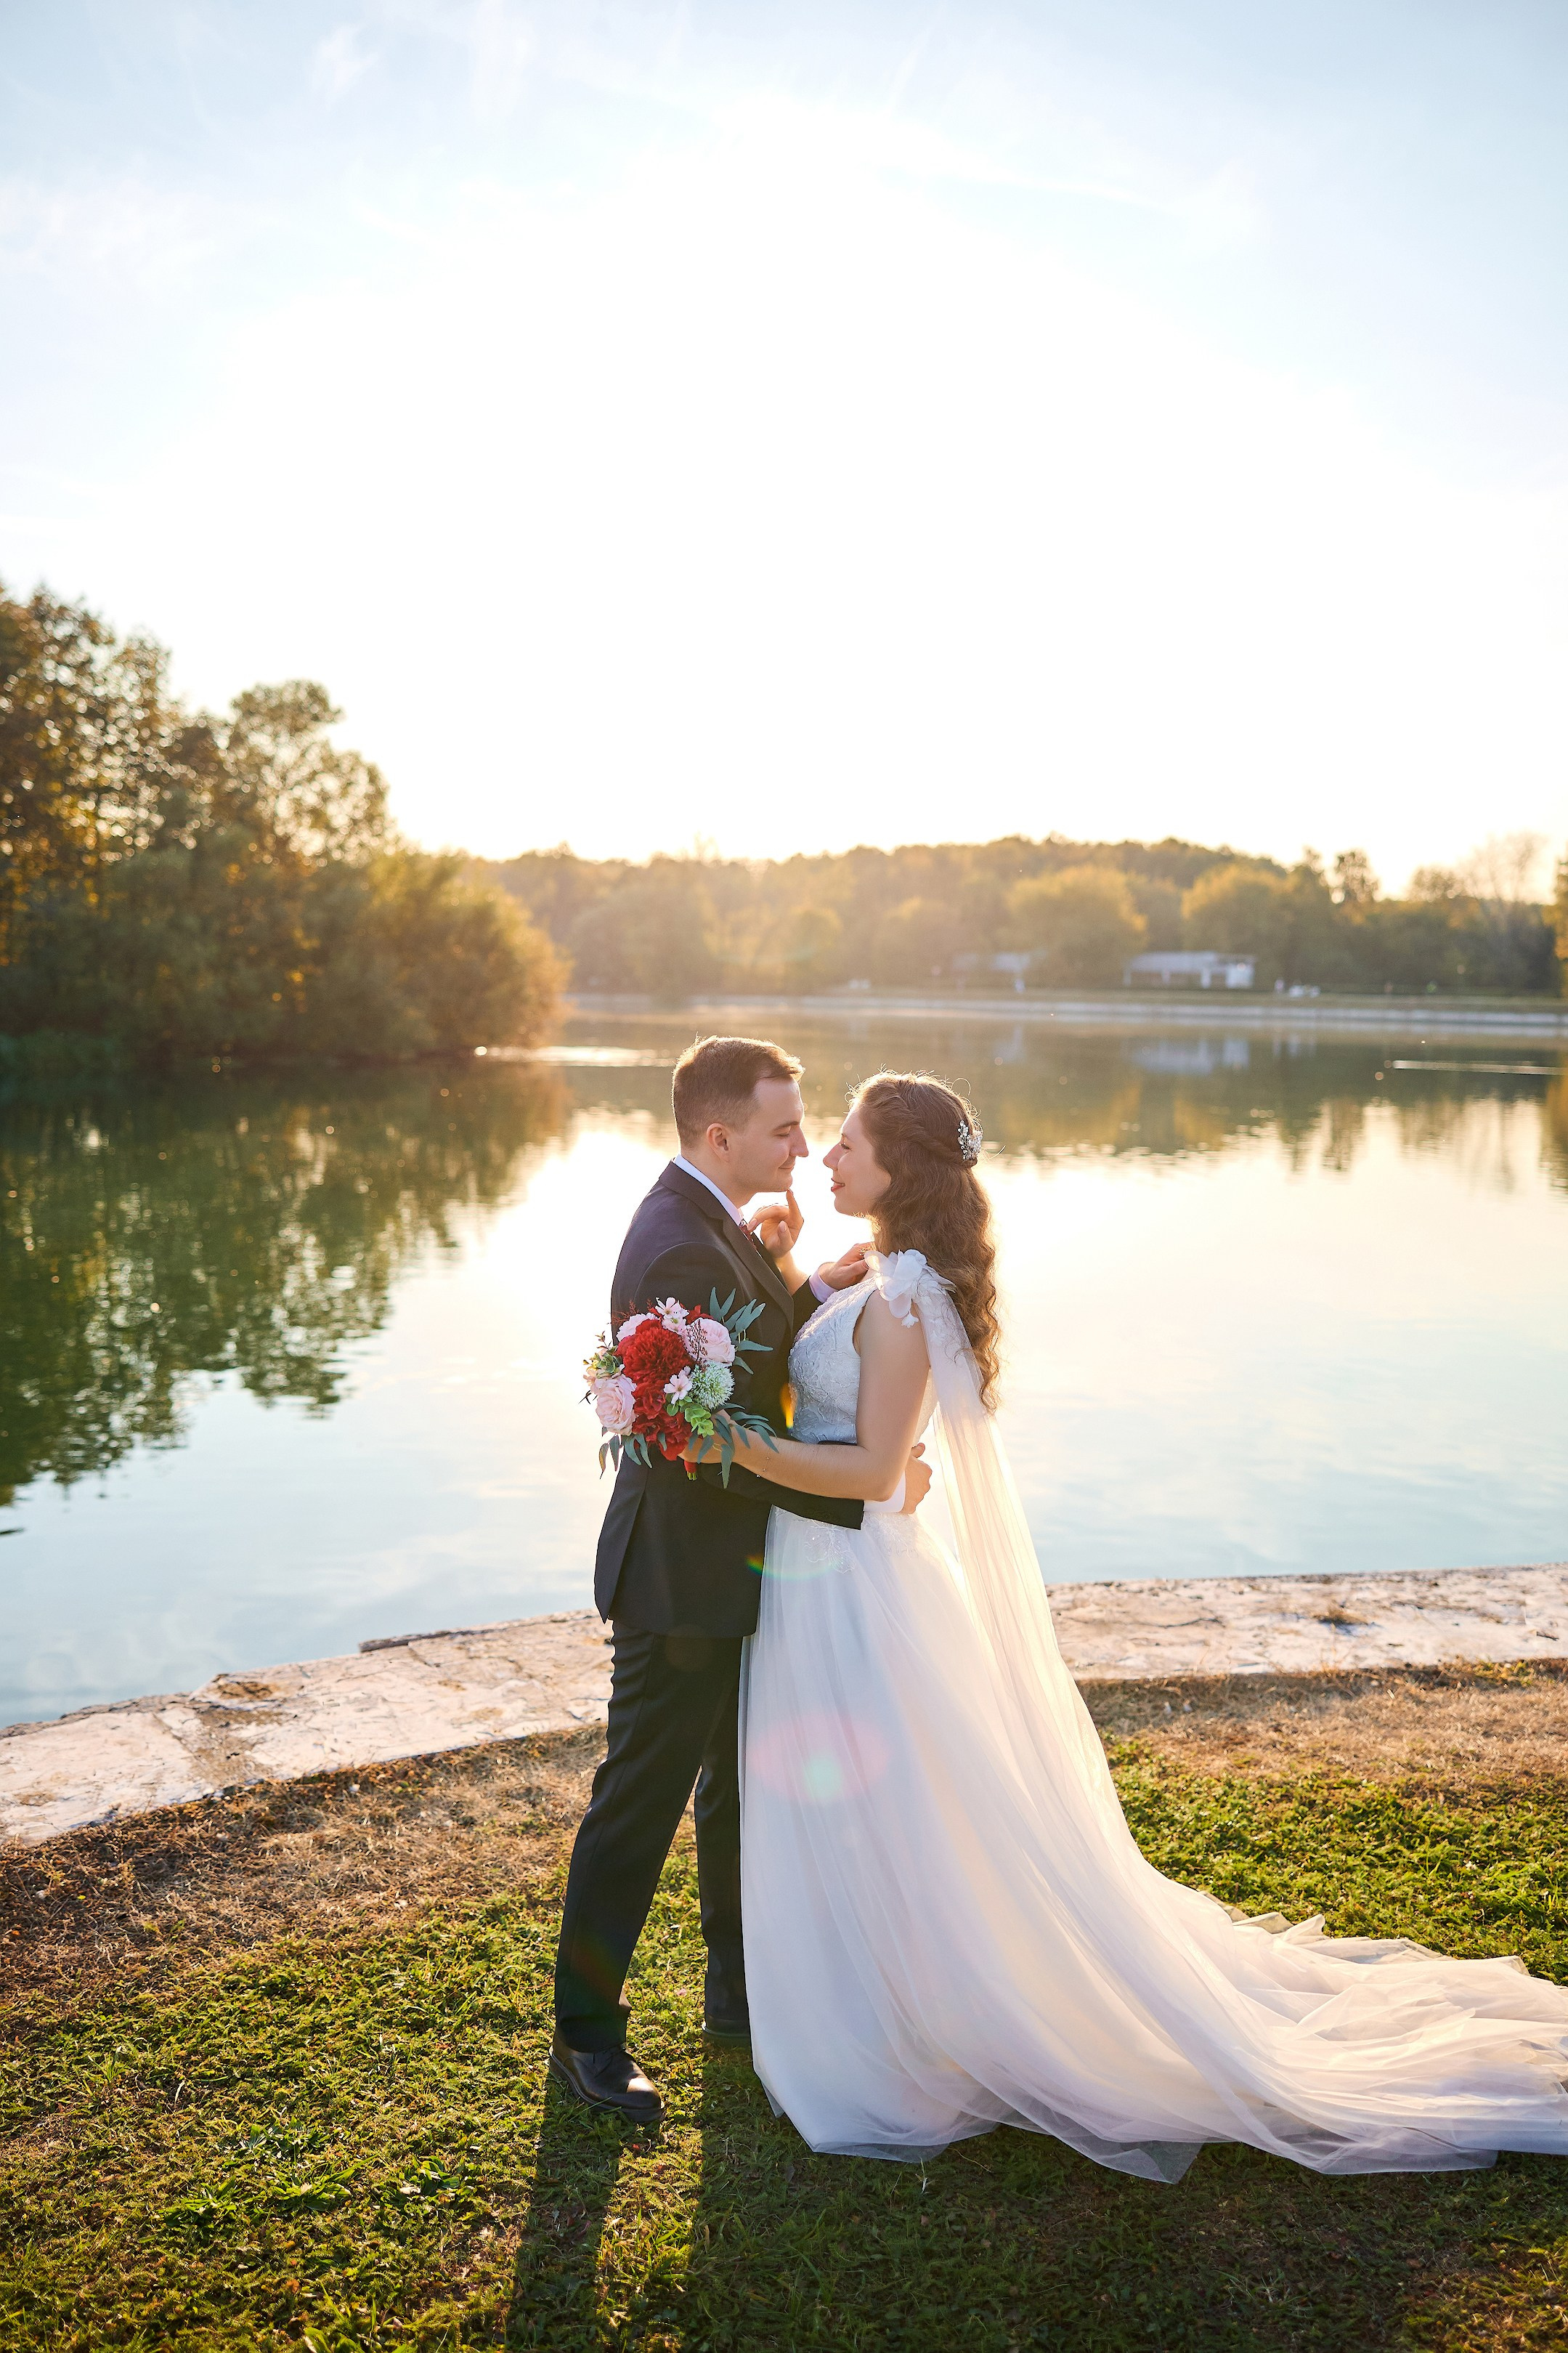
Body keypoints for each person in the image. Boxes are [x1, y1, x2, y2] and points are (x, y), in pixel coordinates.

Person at [697, 1069, 1568, 2179]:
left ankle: (910, 2029)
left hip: (856, 1579)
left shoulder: (910, 1296)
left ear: (900, 1168)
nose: (826, 1160)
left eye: (850, 1148)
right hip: (821, 1576)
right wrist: (781, 1275)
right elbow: (843, 1397)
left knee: (896, 1806)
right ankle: (874, 1998)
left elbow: (874, 1469)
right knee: (870, 1806)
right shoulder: (879, 1270)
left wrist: (729, 1448)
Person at [549, 1036, 931, 2125]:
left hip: (735, 1564)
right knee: (640, 1799)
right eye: (784, 1129)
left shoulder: (707, 1220)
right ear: (722, 1136)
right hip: (681, 1572)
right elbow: (697, 1439)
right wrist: (865, 1491)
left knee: (732, 1785)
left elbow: (743, 1362)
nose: (804, 1146)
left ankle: (737, 1988)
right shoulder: (675, 1242)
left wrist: (801, 1282)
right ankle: (586, 2034)